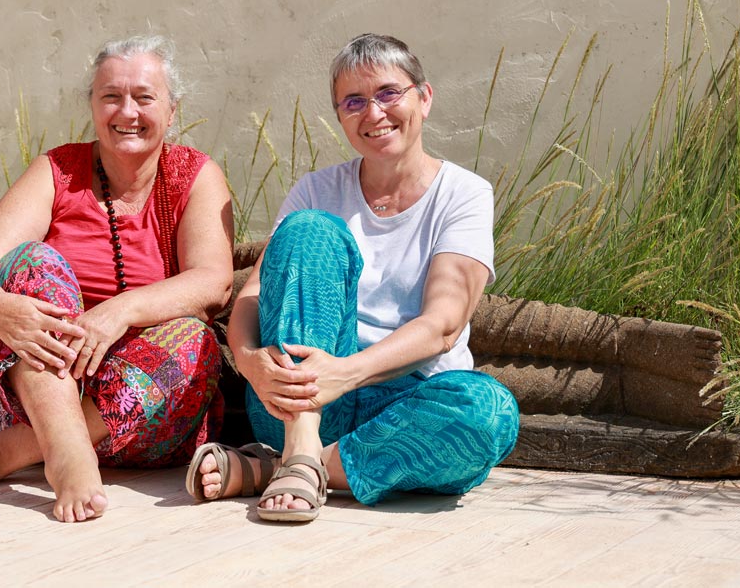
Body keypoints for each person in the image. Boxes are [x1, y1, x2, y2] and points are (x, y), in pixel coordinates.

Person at [186, 33, 519, 521]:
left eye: (389, 93)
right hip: (297, 402)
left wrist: (344, 374)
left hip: (409, 402)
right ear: (340, 116)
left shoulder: (464, 194)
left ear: (424, 98)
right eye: (354, 101)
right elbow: (251, 298)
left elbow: (444, 326)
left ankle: (280, 469)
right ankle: (300, 446)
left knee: (490, 413)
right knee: (311, 231)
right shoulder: (316, 190)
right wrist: (250, 360)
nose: (374, 112)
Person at [0, 35, 234, 522]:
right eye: (111, 96)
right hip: (9, 393)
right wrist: (1, 311)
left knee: (196, 340)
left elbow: (214, 283)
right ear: (92, 105)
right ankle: (66, 452)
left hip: (134, 415)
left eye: (144, 97)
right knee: (32, 262)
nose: (127, 111)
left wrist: (119, 311)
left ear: (172, 110)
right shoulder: (57, 170)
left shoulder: (194, 175)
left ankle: (7, 455)